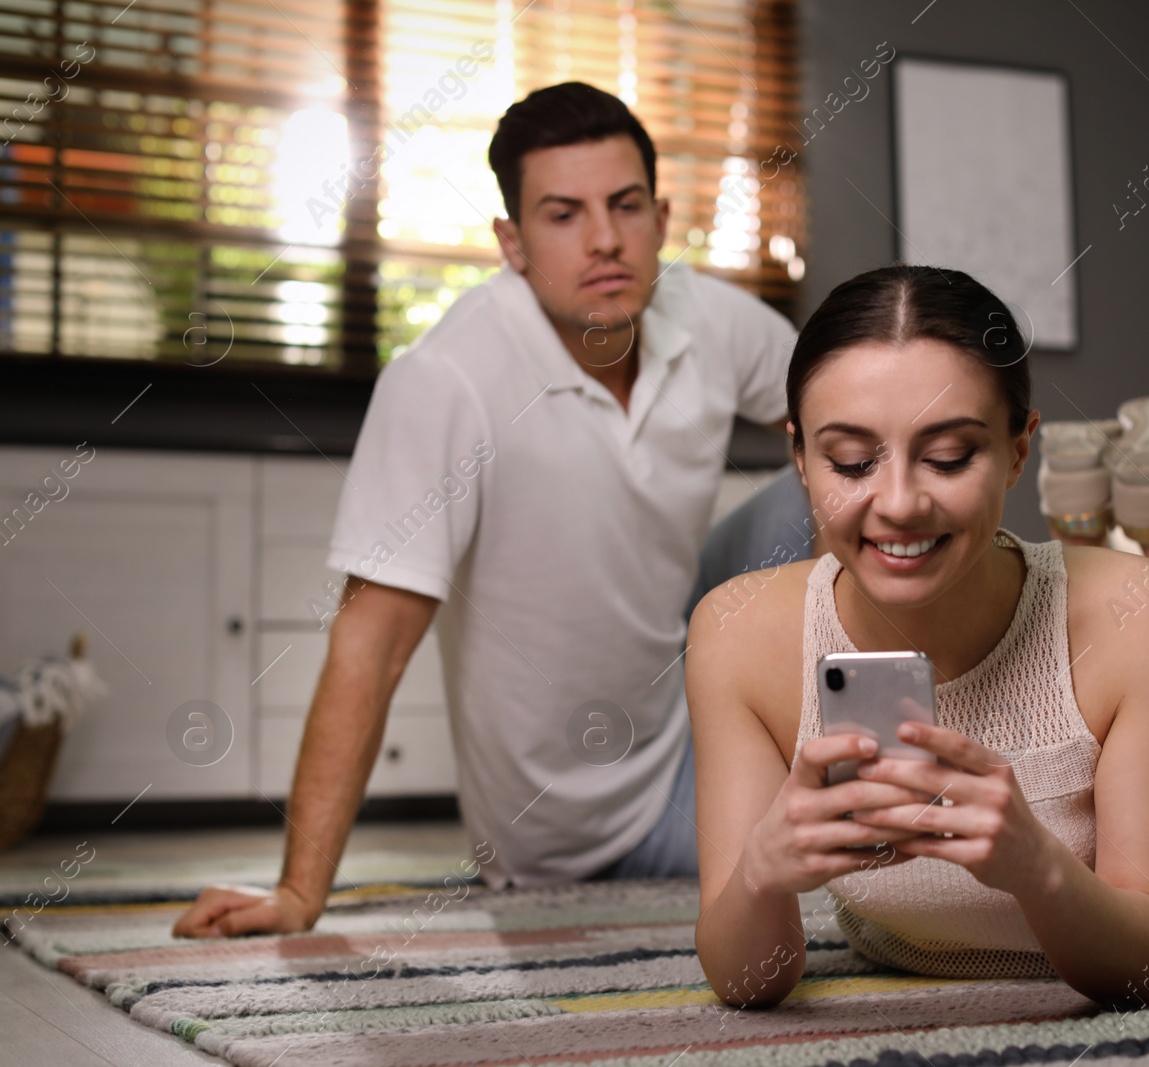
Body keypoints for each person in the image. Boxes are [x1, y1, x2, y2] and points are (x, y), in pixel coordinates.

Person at [172, 82, 797, 938]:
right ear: (512, 242)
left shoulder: (704, 314)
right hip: (580, 834)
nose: (605, 240)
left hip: (694, 705)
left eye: (624, 206)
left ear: (661, 216)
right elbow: (373, 642)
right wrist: (297, 892)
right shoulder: (447, 382)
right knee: (856, 841)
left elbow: (848, 407)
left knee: (844, 460)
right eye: (563, 214)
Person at [687, 265, 1149, 1009]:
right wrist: (760, 870)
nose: (901, 503)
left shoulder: (1139, 615)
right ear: (800, 459)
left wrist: (1034, 861)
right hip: (900, 943)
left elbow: (1144, 970)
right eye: (851, 461)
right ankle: (1098, 521)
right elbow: (748, 979)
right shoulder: (738, 634)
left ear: (1017, 449)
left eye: (949, 457)